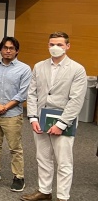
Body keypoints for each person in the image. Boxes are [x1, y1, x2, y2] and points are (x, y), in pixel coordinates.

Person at [21, 32, 87, 201]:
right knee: (42, 157)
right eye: (52, 44)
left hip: (64, 121)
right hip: (41, 120)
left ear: (67, 46)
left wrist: (61, 124)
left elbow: (76, 100)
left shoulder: (77, 69)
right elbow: (32, 93)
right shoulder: (39, 66)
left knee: (64, 162)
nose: (55, 48)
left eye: (59, 44)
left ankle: (62, 197)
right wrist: (33, 118)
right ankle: (44, 191)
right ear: (48, 45)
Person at [0, 36, 31, 192]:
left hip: (12, 114)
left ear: (17, 51)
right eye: (5, 48)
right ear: (0, 49)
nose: (8, 50)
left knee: (15, 147)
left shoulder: (24, 69)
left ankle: (18, 176)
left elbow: (22, 94)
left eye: (11, 48)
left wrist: (5, 107)